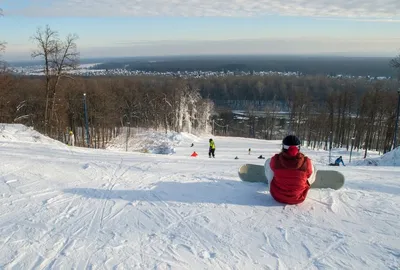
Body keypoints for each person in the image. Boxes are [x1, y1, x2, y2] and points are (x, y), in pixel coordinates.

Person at [264, 135, 316, 205]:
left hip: (277, 196)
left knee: (269, 162)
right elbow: (309, 174)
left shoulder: (276, 159)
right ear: (298, 148)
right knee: (312, 167)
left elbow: (272, 166)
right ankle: (302, 183)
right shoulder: (306, 161)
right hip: (299, 197)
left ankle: (270, 181)